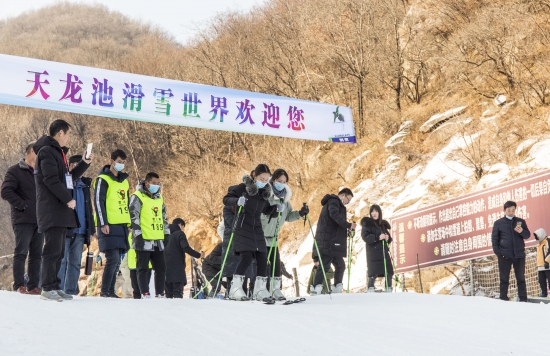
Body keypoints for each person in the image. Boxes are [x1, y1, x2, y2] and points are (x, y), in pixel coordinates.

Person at [34, 120, 93, 301]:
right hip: (52, 209)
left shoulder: (59, 154)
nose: (68, 137)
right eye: (67, 134)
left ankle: (54, 285)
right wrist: (68, 199)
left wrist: (84, 163)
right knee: (51, 250)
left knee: (59, 251)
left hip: (60, 211)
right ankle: (46, 287)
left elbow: (69, 179)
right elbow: (51, 180)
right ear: (60, 133)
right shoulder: (46, 152)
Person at [223, 164, 274, 302]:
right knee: (246, 257)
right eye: (261, 178)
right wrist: (237, 201)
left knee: (263, 258)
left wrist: (276, 209)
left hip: (256, 228)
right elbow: (226, 199)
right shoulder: (243, 188)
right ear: (254, 176)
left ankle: (260, 290)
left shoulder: (263, 193)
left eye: (266, 180)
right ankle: (235, 289)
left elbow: (266, 209)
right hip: (242, 226)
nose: (264, 182)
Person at [1, 141, 43, 295]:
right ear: (32, 151)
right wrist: (22, 205)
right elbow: (5, 191)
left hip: (40, 219)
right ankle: (19, 285)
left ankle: (33, 286)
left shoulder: (41, 172)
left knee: (36, 255)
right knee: (21, 252)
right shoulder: (15, 171)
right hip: (23, 219)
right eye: (39, 151)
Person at [261, 168, 308, 300]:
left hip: (274, 238)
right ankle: (260, 290)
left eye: (284, 181)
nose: (282, 183)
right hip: (261, 237)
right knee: (262, 265)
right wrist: (271, 211)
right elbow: (259, 212)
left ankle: (275, 289)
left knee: (276, 265)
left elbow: (288, 216)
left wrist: (300, 213)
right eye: (279, 181)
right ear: (273, 180)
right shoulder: (266, 195)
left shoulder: (285, 200)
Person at [94, 149, 131, 298]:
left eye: (123, 162)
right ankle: (105, 291)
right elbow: (98, 201)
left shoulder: (124, 182)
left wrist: (128, 224)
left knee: (117, 261)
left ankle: (110, 290)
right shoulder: (103, 179)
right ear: (112, 161)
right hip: (108, 224)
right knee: (112, 258)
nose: (121, 165)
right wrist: (103, 223)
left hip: (121, 225)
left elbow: (126, 202)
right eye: (119, 162)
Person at [57, 155, 96, 296]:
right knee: (62, 261)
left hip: (81, 230)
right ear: (70, 165)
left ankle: (71, 291)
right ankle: (59, 289)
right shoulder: (65, 183)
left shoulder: (85, 185)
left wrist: (91, 229)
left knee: (75, 263)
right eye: (76, 165)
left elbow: (89, 209)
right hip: (67, 228)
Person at [129, 172, 169, 298]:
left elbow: (164, 217)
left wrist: (166, 233)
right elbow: (133, 216)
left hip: (157, 238)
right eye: (154, 183)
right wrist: (138, 234)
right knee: (143, 268)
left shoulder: (159, 197)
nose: (157, 186)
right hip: (144, 238)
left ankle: (160, 293)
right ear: (147, 183)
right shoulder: (137, 196)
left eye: (158, 183)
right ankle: (145, 292)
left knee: (161, 268)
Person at [310, 188, 356, 296]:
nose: (347, 203)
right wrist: (348, 225)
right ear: (343, 195)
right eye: (348, 200)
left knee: (340, 265)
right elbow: (334, 215)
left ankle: (336, 288)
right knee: (325, 265)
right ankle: (316, 289)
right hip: (329, 241)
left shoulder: (335, 203)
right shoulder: (334, 201)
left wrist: (347, 228)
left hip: (333, 242)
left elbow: (336, 222)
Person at [491, 201, 531, 302]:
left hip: (519, 255)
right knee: (504, 279)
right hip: (504, 255)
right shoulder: (498, 223)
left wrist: (521, 231)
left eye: (513, 210)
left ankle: (523, 299)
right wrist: (499, 253)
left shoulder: (520, 221)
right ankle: (503, 298)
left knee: (521, 279)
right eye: (509, 210)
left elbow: (527, 235)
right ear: (504, 210)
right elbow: (494, 240)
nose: (511, 212)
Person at [164, 218, 204, 298]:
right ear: (180, 225)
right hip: (177, 270)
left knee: (168, 296)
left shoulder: (165, 234)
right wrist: (199, 255)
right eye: (183, 227)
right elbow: (186, 248)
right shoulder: (180, 234)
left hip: (165, 270)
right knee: (178, 295)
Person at [361, 204, 393, 293]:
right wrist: (378, 237)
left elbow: (389, 238)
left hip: (383, 251)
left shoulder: (382, 225)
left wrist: (387, 238)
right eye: (372, 211)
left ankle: (389, 287)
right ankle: (370, 288)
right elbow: (365, 236)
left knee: (388, 270)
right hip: (373, 252)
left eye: (376, 211)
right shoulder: (367, 224)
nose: (374, 213)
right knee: (373, 271)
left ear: (379, 213)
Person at [126, 232, 152, 299]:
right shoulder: (130, 235)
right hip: (135, 264)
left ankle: (142, 302)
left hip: (142, 264)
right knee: (137, 289)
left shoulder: (132, 235)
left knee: (142, 288)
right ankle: (138, 304)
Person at [534, 228, 550, 297]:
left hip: (548, 265)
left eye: (537, 235)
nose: (537, 237)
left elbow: (549, 252)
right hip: (540, 266)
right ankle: (544, 293)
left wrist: (547, 261)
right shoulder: (539, 244)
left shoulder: (547, 241)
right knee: (541, 280)